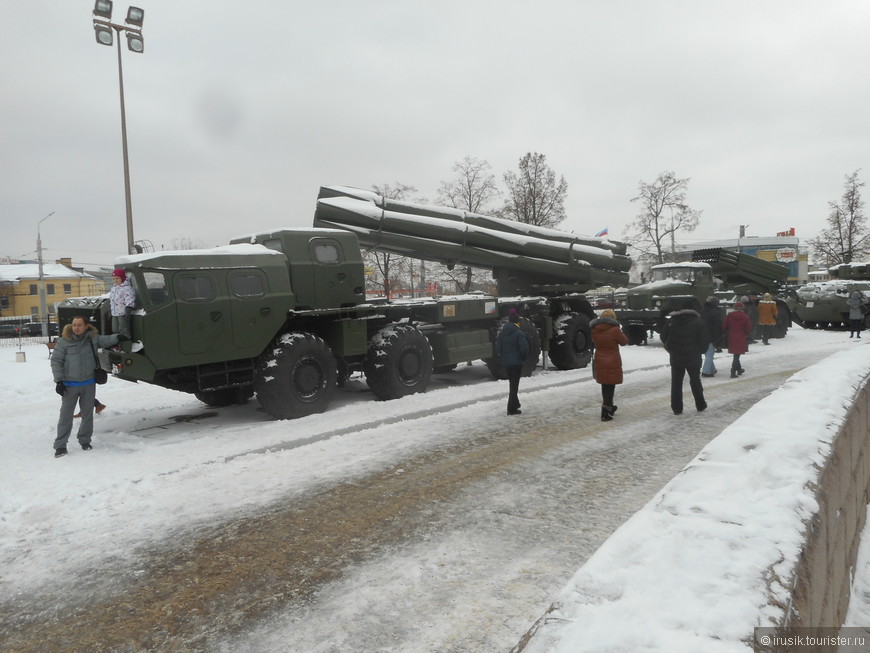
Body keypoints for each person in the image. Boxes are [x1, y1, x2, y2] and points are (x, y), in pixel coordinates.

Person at [51, 315, 122, 457]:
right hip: (69, 385)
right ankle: (60, 446)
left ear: (86, 326)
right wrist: (59, 381)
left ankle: (85, 440)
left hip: (88, 383)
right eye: (74, 325)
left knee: (87, 415)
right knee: (65, 416)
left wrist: (120, 336)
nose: (76, 327)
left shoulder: (93, 338)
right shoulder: (64, 341)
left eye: (79, 325)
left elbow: (107, 340)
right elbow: (56, 361)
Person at [661, 298, 708, 415]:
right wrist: (700, 351)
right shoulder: (698, 322)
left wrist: (671, 348)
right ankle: (700, 404)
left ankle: (676, 408)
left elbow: (663, 336)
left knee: (676, 383)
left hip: (676, 357)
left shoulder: (672, 321)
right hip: (693, 357)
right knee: (695, 380)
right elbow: (704, 342)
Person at [590, 309, 628, 421]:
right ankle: (605, 411)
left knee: (605, 384)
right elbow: (624, 342)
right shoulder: (615, 329)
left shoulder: (595, 329)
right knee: (610, 385)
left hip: (600, 359)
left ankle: (610, 407)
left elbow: (593, 342)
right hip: (612, 359)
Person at [495, 308, 529, 415]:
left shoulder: (502, 333)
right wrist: (523, 358)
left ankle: (515, 404)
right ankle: (511, 409)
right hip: (517, 363)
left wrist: (502, 357)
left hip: (507, 363)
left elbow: (498, 347)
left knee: (512, 384)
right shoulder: (519, 334)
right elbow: (524, 349)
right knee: (514, 386)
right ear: (516, 322)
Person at [722, 301, 753, 378]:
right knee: (736, 355)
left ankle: (739, 369)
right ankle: (733, 372)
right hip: (741, 337)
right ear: (742, 308)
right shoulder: (745, 317)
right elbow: (749, 329)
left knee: (736, 354)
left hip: (731, 337)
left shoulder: (729, 316)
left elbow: (724, 326)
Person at [109, 268, 136, 340]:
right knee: (115, 329)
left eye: (117, 278)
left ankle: (126, 343)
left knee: (123, 329)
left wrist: (128, 309)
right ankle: (117, 342)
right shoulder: (113, 289)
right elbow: (112, 300)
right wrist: (111, 310)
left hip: (122, 313)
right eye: (113, 279)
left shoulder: (127, 288)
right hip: (115, 313)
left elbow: (130, 299)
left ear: (122, 278)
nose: (115, 281)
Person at [700, 296, 722, 377]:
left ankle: (712, 369)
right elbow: (717, 327)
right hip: (711, 336)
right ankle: (706, 372)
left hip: (702, 335)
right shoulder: (715, 312)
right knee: (709, 354)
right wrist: (717, 338)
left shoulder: (702, 310)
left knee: (708, 353)